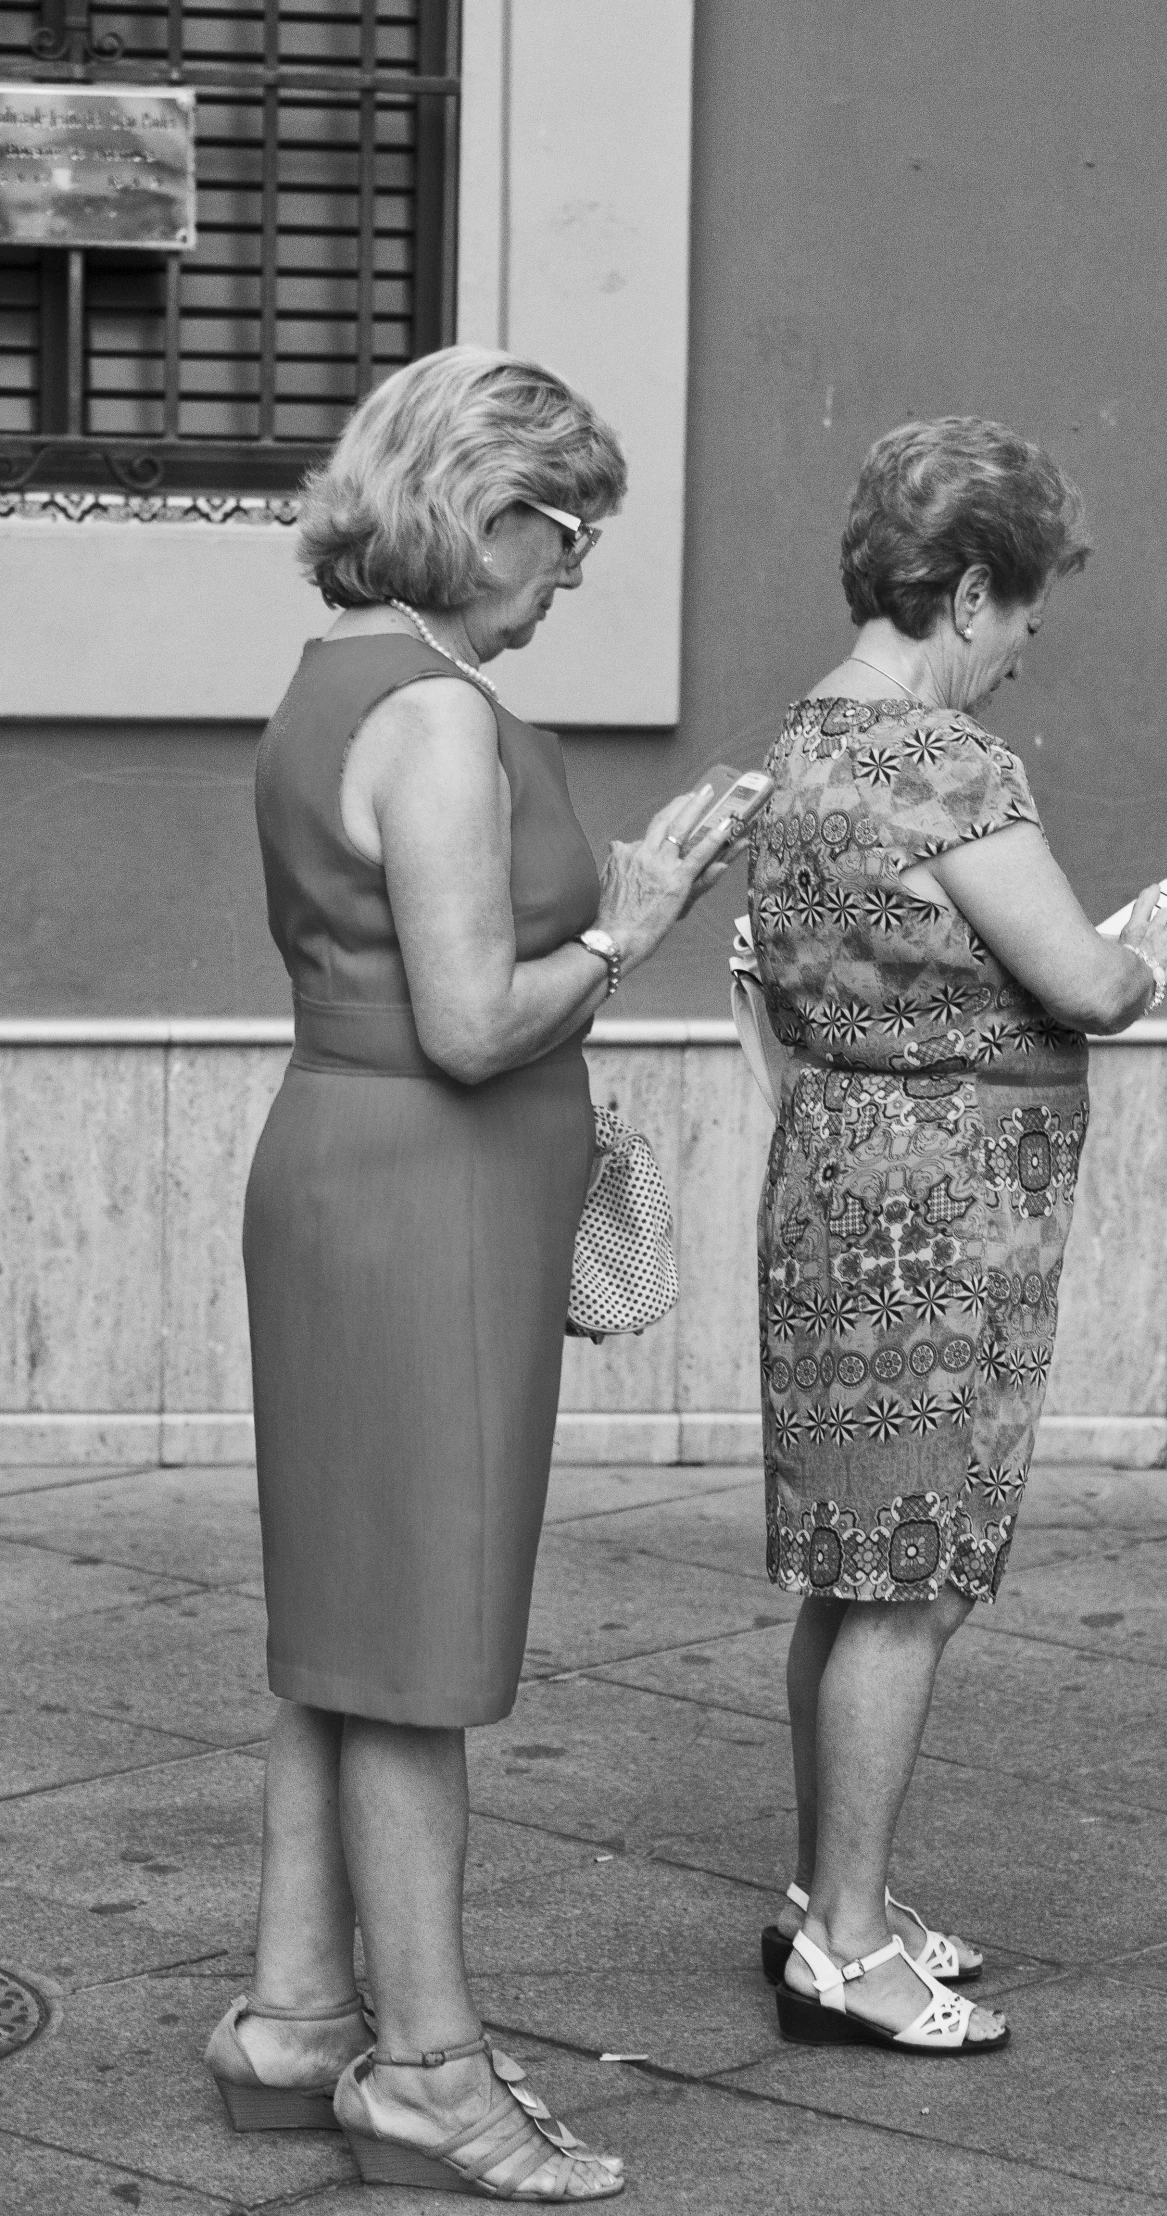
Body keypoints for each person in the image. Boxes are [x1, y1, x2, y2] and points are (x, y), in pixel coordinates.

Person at [207, 346, 729, 2201]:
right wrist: (629, 928)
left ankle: (290, 2020)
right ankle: (426, 2067)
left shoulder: (334, 682)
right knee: (408, 1651)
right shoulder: (432, 718)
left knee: (347, 1636)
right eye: (569, 535)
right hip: (418, 1202)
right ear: (490, 512)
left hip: (375, 1190)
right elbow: (467, 1021)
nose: (574, 577)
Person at [749, 417, 1167, 2055]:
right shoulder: (939, 761)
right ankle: (849, 1950)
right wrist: (1156, 943)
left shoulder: (805, 739)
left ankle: (824, 1901)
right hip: (942, 1213)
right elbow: (1080, 985)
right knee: (906, 1580)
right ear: (963, 594)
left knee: (848, 1563)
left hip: (837, 1178)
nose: (1020, 654)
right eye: (1020, 616)